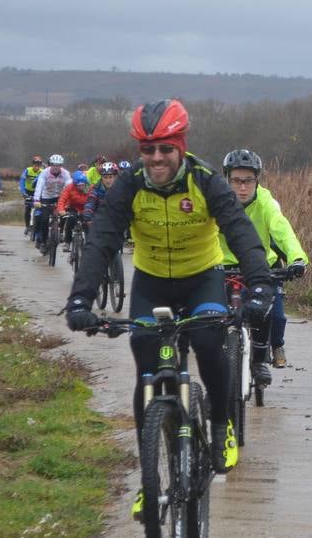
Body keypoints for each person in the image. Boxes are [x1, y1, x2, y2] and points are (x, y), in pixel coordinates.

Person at [63, 99, 274, 482]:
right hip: (152, 281)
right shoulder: (129, 185)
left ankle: (221, 421)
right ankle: (150, 478)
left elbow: (241, 234)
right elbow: (102, 241)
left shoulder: (206, 181)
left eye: (165, 149)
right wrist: (81, 298)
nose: (156, 158)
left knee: (210, 343)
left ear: (181, 146)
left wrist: (260, 285)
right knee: (145, 359)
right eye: (147, 150)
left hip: (201, 278)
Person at [217, 148, 308, 377]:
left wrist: (297, 259)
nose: (243, 187)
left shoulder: (267, 202)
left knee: (273, 315)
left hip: (261, 267)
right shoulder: (216, 201)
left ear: (258, 180)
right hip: (222, 267)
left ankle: (260, 359)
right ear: (227, 179)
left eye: (249, 180)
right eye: (237, 181)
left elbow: (282, 230)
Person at [32, 154, 72, 252]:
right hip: (46, 197)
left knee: (64, 215)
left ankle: (61, 232)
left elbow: (69, 187)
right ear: (51, 164)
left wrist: (70, 200)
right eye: (54, 165)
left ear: (61, 165)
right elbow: (39, 186)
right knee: (44, 220)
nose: (56, 167)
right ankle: (44, 242)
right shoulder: (45, 173)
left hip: (60, 197)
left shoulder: (65, 173)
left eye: (58, 165)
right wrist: (37, 200)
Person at [55, 170, 93, 245]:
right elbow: (62, 199)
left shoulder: (91, 188)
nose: (80, 187)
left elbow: (96, 200)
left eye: (82, 185)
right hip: (73, 208)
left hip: (86, 209)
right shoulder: (70, 187)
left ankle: (90, 244)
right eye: (78, 185)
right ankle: (67, 242)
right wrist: (61, 210)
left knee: (88, 225)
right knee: (70, 220)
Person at [18, 156, 44, 233]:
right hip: (28, 191)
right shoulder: (27, 170)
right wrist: (23, 192)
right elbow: (22, 181)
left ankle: (38, 226)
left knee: (40, 209)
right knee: (27, 209)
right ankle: (27, 226)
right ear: (32, 164)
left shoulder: (42, 172)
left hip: (37, 192)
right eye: (35, 165)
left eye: (38, 165)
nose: (37, 167)